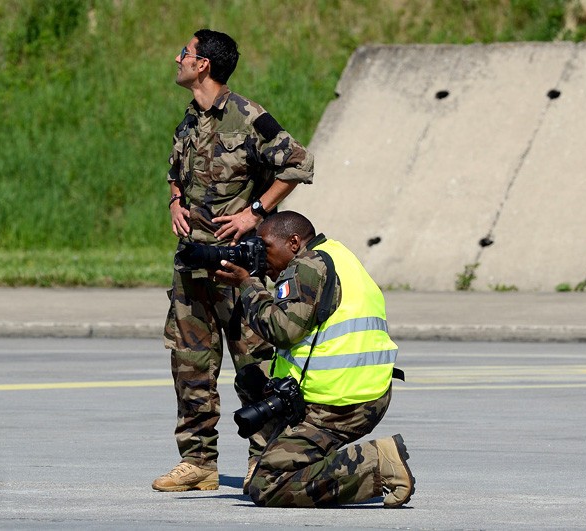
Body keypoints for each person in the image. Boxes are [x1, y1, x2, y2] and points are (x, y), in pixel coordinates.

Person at [153, 29, 314, 492]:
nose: (177, 57)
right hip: (192, 264)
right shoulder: (188, 121)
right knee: (190, 365)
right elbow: (174, 173)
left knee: (254, 365)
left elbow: (298, 163)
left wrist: (255, 212)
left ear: (203, 65)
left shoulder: (248, 117)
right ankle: (197, 462)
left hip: (240, 268)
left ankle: (263, 459)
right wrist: (174, 202)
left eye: (184, 53)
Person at [213, 211, 415, 508]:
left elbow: (282, 330)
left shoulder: (306, 267)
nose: (260, 255)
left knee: (267, 487)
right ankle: (273, 457)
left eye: (265, 247)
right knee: (253, 379)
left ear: (293, 242)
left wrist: (248, 286)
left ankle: (374, 464)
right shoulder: (335, 254)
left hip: (339, 402)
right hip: (362, 387)